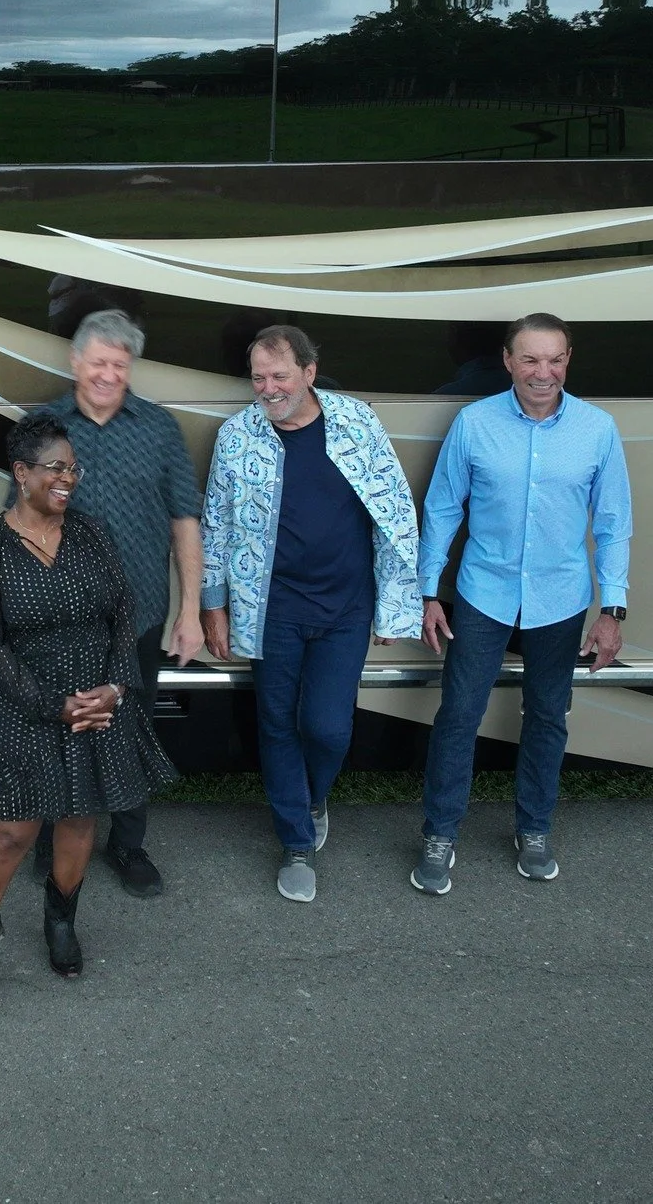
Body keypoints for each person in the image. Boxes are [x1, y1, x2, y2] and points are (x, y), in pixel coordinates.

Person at [0, 413, 177, 1010]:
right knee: (12, 831)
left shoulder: (93, 533)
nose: (68, 478)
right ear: (21, 473)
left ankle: (60, 921)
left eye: (73, 468)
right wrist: (54, 704)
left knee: (80, 818)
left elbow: (126, 613)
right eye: (56, 468)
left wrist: (116, 689)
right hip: (26, 707)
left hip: (96, 702)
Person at [199, 325, 423, 904]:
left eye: (279, 376)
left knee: (327, 726)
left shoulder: (355, 423)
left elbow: (395, 509)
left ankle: (314, 796)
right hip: (271, 608)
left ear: (309, 373)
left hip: (346, 607)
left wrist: (398, 602)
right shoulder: (237, 436)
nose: (268, 389)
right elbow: (216, 526)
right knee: (276, 722)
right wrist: (213, 605)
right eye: (259, 378)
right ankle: (295, 841)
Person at [412, 312, 632, 895]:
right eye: (530, 359)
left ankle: (534, 829)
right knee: (459, 717)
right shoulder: (474, 423)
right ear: (507, 361)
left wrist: (615, 609)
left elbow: (613, 525)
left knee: (547, 718)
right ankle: (440, 834)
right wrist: (429, 592)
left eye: (554, 359)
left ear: (568, 359)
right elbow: (440, 512)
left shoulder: (597, 429)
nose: (543, 372)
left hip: (560, 600)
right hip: (482, 594)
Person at [22, 309, 200, 898]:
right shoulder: (42, 427)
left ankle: (128, 844)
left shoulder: (158, 428)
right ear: (75, 362)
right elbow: (19, 520)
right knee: (57, 721)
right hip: (57, 613)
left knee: (128, 727)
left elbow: (184, 519)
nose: (107, 374)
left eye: (119, 365)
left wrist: (191, 609)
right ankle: (49, 836)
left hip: (138, 613)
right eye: (98, 362)